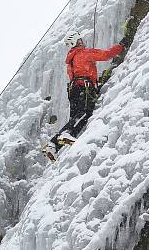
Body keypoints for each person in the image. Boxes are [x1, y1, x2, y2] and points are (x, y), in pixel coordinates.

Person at [43, 31, 124, 160]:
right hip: (84, 88)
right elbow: (106, 55)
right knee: (84, 113)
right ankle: (66, 135)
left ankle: (53, 145)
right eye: (80, 41)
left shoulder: (71, 60)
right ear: (76, 43)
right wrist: (121, 46)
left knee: (75, 119)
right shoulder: (84, 53)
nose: (82, 42)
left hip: (73, 90)